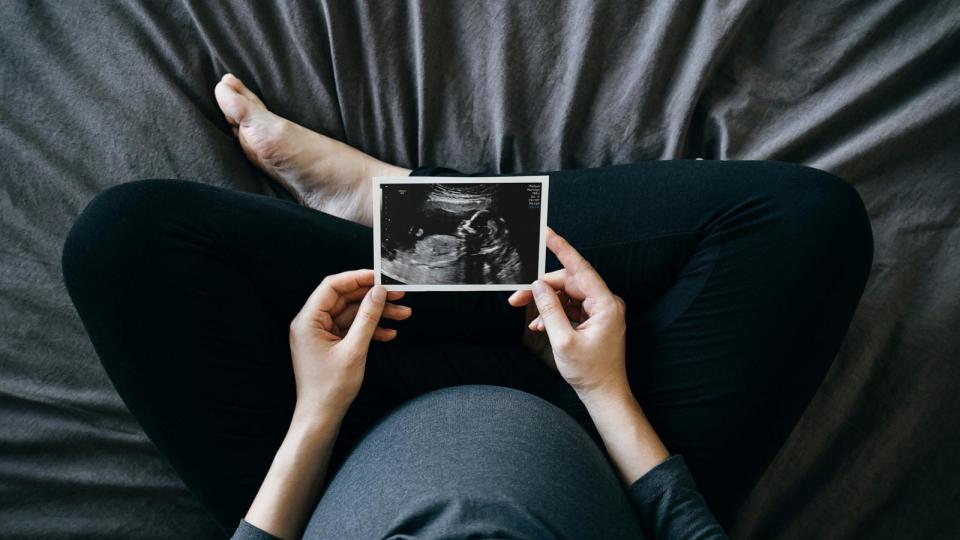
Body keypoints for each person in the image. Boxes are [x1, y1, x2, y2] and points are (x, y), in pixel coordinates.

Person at [61, 74, 873, 539]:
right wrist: (604, 391)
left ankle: (402, 212)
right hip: (607, 441)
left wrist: (316, 410)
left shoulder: (323, 417)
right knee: (805, 223)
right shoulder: (603, 402)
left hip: (331, 446)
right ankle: (407, 212)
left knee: (122, 240)